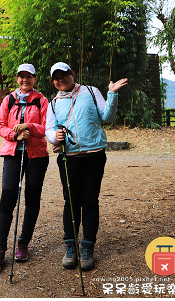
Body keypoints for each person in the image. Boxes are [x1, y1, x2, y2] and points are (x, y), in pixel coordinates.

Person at [45, 62, 128, 271]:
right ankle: (70, 247)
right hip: (68, 157)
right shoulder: (53, 103)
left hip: (94, 155)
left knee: (90, 201)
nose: (60, 80)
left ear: (72, 74)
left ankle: (87, 247)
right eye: (56, 78)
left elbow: (107, 117)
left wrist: (113, 95)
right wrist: (54, 136)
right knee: (70, 202)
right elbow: (49, 128)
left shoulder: (91, 92)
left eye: (64, 75)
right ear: (52, 81)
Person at [0, 64, 49, 273]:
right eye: (21, 77)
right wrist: (15, 135)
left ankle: (23, 242)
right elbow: (0, 125)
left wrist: (29, 127)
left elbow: (47, 128)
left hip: (37, 155)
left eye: (29, 77)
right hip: (13, 154)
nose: (25, 80)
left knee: (32, 197)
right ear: (17, 79)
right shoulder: (9, 99)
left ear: (35, 78)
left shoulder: (42, 101)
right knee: (8, 197)